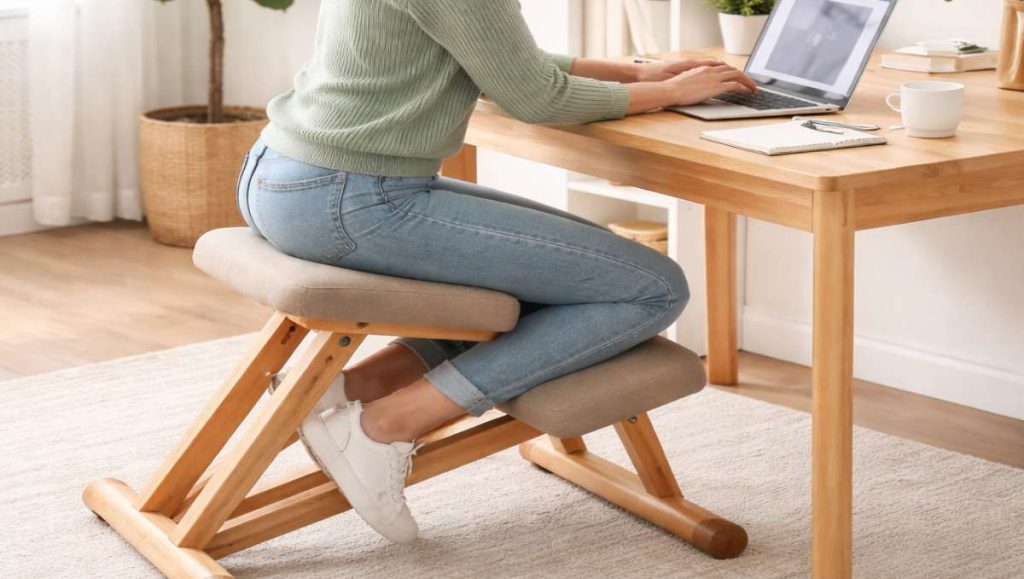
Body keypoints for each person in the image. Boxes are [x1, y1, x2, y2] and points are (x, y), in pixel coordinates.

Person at [237, 0, 757, 544]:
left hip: (289, 177)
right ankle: (383, 428)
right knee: (653, 289)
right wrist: (671, 94)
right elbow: (535, 96)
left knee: (582, 273)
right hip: (350, 198)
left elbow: (492, 53)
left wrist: (634, 73)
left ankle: (349, 388)